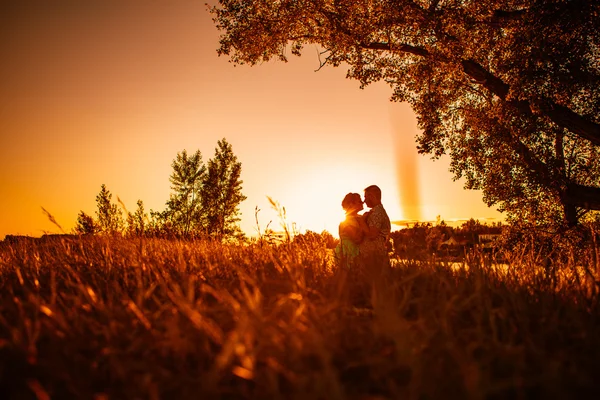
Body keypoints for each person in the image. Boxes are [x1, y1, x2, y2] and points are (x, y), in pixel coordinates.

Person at [359, 185, 391, 271]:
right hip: (372, 259)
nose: (364, 200)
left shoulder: (377, 213)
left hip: (374, 260)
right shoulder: (376, 211)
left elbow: (372, 235)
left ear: (371, 196)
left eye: (365, 197)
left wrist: (362, 221)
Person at [334, 193, 369, 268]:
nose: (362, 202)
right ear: (351, 205)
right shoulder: (346, 222)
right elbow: (357, 239)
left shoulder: (360, 217)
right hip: (347, 255)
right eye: (359, 201)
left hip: (357, 255)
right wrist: (362, 222)